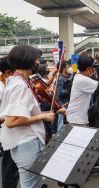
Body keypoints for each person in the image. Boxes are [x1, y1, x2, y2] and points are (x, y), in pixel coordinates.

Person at [0, 45, 55, 188]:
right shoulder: (20, 85)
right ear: (29, 61)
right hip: (27, 143)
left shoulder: (17, 81)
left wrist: (41, 114)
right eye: (37, 60)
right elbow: (11, 121)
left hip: (25, 142)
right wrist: (42, 117)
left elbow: (18, 114)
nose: (38, 63)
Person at [0, 56, 19, 188]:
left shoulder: (5, 84)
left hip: (9, 128)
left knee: (13, 163)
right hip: (7, 128)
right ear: (8, 73)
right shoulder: (2, 87)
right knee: (9, 165)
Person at [67, 54, 98, 127]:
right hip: (78, 121)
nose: (93, 69)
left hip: (76, 118)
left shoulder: (78, 76)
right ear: (88, 68)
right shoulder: (82, 79)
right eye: (92, 67)